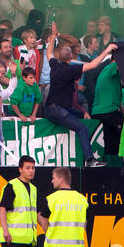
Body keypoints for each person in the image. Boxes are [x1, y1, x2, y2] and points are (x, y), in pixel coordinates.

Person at [44, 23, 112, 166]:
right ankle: (89, 159)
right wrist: (108, 49)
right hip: (57, 110)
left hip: (52, 108)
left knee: (82, 115)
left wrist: (53, 37)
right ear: (71, 56)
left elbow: (48, 53)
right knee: (82, 127)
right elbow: (93, 65)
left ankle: (83, 117)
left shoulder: (55, 64)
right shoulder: (72, 69)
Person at [0, 155, 46, 247]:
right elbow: (2, 209)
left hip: (28, 241)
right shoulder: (12, 185)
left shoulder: (33, 189)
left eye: (33, 168)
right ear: (20, 169)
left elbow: (35, 213)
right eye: (27, 168)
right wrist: (5, 231)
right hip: (12, 240)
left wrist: (48, 229)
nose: (31, 171)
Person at [40, 167, 89, 247]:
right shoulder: (82, 200)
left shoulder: (51, 199)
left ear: (61, 180)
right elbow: (84, 225)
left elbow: (43, 223)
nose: (52, 181)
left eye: (54, 178)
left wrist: (52, 234)